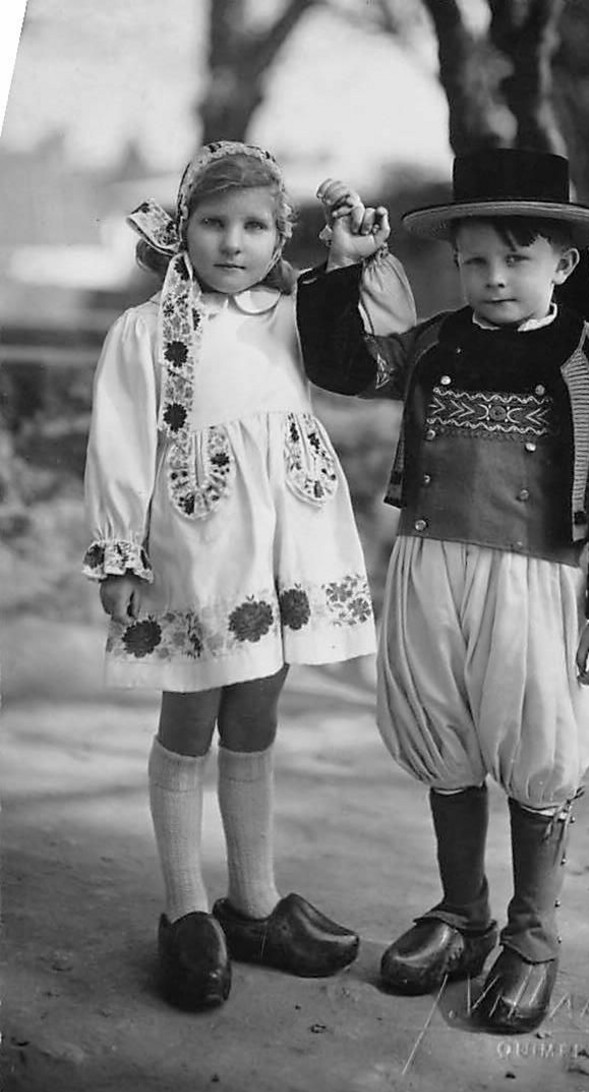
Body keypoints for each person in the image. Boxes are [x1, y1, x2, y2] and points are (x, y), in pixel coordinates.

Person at [298, 149, 589, 1034]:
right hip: (429, 567)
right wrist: (341, 269)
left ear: (563, 264)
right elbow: (342, 369)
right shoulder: (430, 342)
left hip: (539, 579)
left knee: (536, 739)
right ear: (456, 262)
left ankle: (532, 936)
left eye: (517, 259)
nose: (494, 277)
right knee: (442, 732)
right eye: (476, 260)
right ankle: (462, 913)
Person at [82, 140, 415, 1012]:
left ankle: (255, 901)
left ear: (281, 237)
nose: (235, 242)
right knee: (192, 708)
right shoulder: (147, 332)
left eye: (257, 226)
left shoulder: (296, 312)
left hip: (282, 541)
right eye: (215, 223)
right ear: (181, 229)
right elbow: (119, 447)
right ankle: (186, 907)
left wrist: (351, 264)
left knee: (258, 706)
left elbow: (369, 359)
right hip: (198, 547)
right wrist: (120, 552)